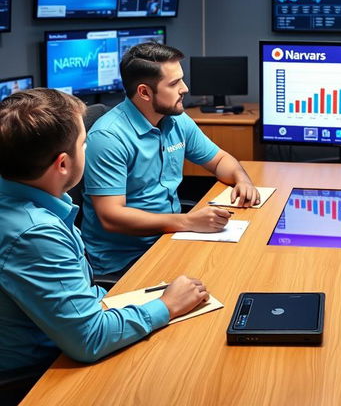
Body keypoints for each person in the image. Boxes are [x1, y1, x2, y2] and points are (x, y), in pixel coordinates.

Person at [0, 88, 209, 371]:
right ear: (63, 163)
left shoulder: (31, 203)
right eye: (84, 143)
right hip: (40, 374)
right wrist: (167, 305)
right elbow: (90, 339)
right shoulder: (34, 234)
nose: (88, 149)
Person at [82, 42, 260, 277]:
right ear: (144, 92)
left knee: (244, 264)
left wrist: (242, 180)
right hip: (126, 259)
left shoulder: (176, 118)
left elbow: (219, 160)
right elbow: (111, 217)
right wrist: (187, 222)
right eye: (174, 83)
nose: (185, 89)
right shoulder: (109, 137)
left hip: (169, 238)